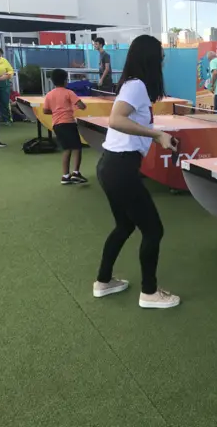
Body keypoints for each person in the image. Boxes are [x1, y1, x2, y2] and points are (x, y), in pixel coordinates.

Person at [94, 34, 180, 309]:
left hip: (111, 166)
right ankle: (150, 293)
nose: (163, 61)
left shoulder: (134, 86)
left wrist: (157, 136)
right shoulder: (136, 86)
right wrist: (156, 135)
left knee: (125, 225)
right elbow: (116, 119)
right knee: (153, 230)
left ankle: (103, 282)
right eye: (161, 57)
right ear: (151, 59)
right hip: (120, 168)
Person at [42, 69, 88, 185]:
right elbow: (81, 106)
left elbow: (46, 110)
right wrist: (82, 106)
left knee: (67, 149)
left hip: (57, 125)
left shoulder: (49, 94)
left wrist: (57, 111)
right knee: (77, 148)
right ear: (65, 80)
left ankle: (65, 176)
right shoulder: (69, 93)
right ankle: (76, 173)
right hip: (68, 123)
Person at [0, 51, 14, 125]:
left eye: (0, 54)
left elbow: (11, 71)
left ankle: (7, 119)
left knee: (5, 101)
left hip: (3, 82)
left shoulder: (4, 60)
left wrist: (6, 75)